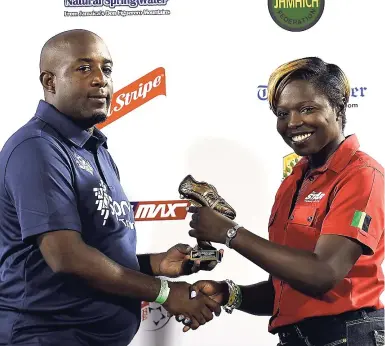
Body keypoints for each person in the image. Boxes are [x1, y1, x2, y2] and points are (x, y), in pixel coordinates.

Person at [0, 29, 223, 346]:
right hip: (45, 335)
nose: (99, 79)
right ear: (50, 82)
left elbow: (97, 252)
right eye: (83, 68)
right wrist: (161, 291)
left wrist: (156, 264)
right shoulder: (37, 148)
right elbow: (66, 257)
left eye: (106, 69)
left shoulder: (95, 149)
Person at [180, 57, 385, 346]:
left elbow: (323, 274)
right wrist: (229, 293)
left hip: (349, 336)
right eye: (282, 113)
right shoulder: (294, 182)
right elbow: (287, 290)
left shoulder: (362, 175)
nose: (293, 123)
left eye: (307, 109)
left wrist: (230, 233)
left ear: (339, 108)